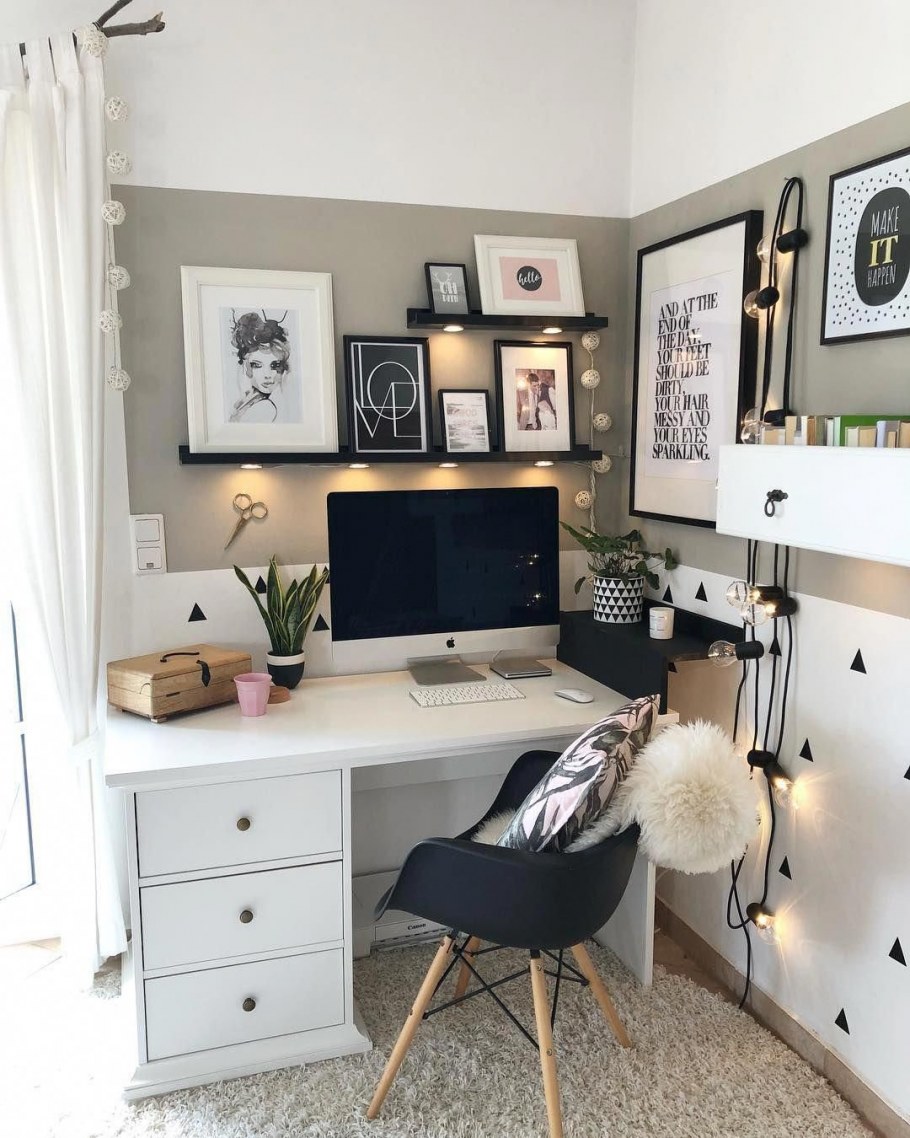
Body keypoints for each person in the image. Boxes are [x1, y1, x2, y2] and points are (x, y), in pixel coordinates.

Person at [229, 310, 290, 423]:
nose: (267, 375)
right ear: (246, 366)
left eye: (275, 366)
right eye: (257, 365)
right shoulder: (248, 402)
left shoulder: (265, 407)